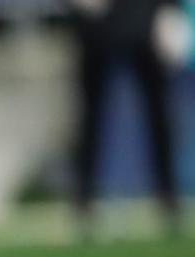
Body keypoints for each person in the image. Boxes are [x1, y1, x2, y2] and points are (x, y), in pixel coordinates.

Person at [70, 0, 184, 237]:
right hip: (96, 23)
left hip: (143, 18)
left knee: (158, 112)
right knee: (91, 115)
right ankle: (84, 199)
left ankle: (167, 196)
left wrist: (169, 11)